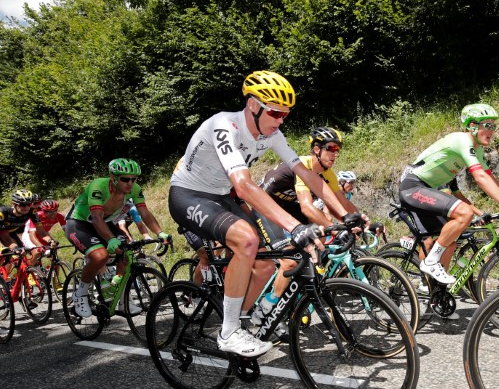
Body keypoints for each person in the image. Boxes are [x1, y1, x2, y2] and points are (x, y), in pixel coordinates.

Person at [168, 71, 360, 358]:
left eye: (285, 115)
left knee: (266, 264)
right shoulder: (224, 125)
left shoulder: (272, 135)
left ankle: (241, 319)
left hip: (220, 196)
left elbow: (307, 175)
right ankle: (228, 331)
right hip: (188, 194)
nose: (280, 120)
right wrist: (296, 226)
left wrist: (346, 215)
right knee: (247, 241)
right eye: (275, 113)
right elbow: (244, 186)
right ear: (253, 105)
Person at [398, 103, 499, 287]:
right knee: (465, 212)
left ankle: (438, 295)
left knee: (450, 242)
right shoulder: (461, 140)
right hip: (413, 187)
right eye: (488, 125)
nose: (493, 131)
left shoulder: (478, 149)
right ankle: (430, 262)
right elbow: (480, 177)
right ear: (472, 126)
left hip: (428, 190)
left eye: (494, 126)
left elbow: (493, 181)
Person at [255, 127, 366, 332]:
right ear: (316, 149)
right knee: (289, 261)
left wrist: (362, 220)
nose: (335, 153)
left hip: (290, 207)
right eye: (331, 148)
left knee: (319, 240)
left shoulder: (328, 174)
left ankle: (294, 299)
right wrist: (334, 229)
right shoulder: (302, 165)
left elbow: (341, 204)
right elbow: (307, 207)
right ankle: (267, 307)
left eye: (337, 150)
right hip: (266, 207)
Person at [66, 159, 171, 317]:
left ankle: (121, 299)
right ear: (113, 177)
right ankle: (80, 294)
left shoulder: (134, 189)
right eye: (125, 179)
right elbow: (96, 217)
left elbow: (145, 213)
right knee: (100, 256)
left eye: (133, 179)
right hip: (80, 223)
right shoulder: (98, 186)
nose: (130, 183)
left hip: (106, 223)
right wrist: (110, 239)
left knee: (127, 254)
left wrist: (159, 232)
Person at [0, 190, 56, 270]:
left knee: (22, 255)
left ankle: (18, 279)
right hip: (3, 234)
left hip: (11, 233)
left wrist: (50, 241)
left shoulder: (31, 212)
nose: (26, 207)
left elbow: (42, 232)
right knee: (3, 254)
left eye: (29, 204)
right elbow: (5, 238)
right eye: (23, 205)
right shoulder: (3, 213)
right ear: (14, 204)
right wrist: (14, 247)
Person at [21, 199, 67, 266]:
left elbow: (67, 231)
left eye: (55, 211)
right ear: (43, 211)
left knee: (54, 256)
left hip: (44, 235)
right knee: (37, 252)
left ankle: (55, 276)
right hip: (29, 235)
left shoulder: (60, 216)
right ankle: (28, 270)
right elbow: (32, 235)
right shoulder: (37, 216)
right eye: (48, 212)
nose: (52, 214)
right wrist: (40, 246)